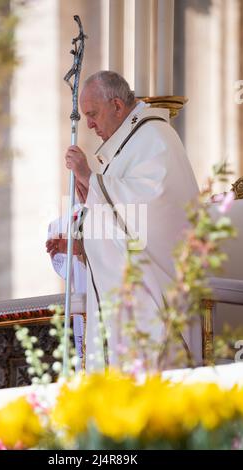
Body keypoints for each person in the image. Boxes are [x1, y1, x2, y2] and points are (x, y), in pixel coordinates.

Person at [47, 71, 202, 372]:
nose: (89, 125)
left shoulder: (155, 137)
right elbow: (124, 221)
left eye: (93, 115)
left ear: (117, 106)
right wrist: (80, 243)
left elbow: (153, 211)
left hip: (158, 287)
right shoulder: (130, 143)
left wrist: (91, 180)